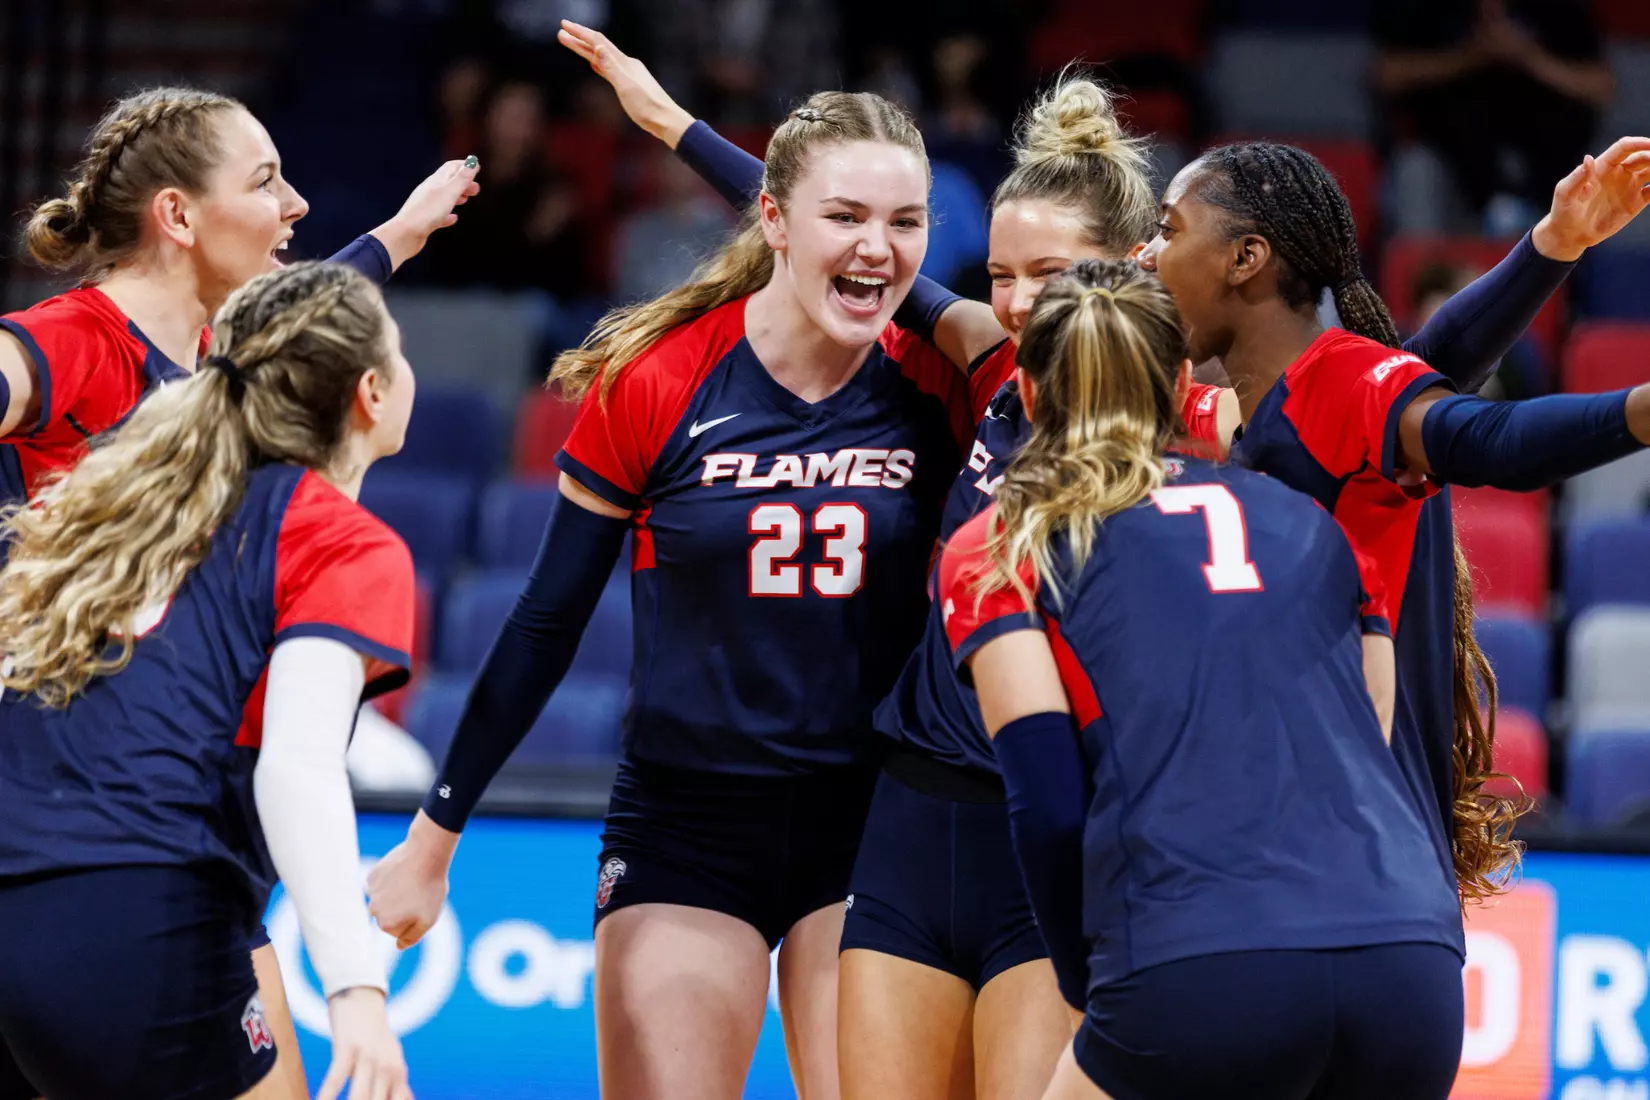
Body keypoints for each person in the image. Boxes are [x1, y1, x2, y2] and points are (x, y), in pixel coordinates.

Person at [555, 20, 1645, 1100]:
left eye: (1049, 273)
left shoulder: (1205, 424)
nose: (1019, 299)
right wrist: (677, 127)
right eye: (1002, 273)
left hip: (1064, 837)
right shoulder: (991, 361)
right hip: (910, 823)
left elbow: (1409, 402)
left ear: (1126, 275)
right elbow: (826, 230)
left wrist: (1548, 263)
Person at [368, 91, 979, 1100]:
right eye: (845, 216)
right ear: (773, 219)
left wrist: (684, 131)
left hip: (876, 821)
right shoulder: (660, 376)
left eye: (904, 221)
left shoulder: (943, 380)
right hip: (688, 824)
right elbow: (547, 619)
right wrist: (434, 835)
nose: (877, 246)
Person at [943, 257, 1467, 1099]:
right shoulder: (1311, 518)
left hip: (1199, 963)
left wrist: (1084, 989)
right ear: (1183, 383)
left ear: (1029, 394)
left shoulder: (1003, 543)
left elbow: (1047, 805)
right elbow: (1369, 743)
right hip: (1410, 963)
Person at [1137, 139, 1650, 909]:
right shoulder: (1295, 407)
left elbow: (1487, 438)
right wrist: (1552, 245)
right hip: (1308, 863)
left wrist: (1639, 410)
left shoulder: (1338, 382)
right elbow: (1425, 362)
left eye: (1168, 229)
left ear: (1246, 258)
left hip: (1343, 877)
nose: (1146, 255)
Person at [0, 262, 417, 1100]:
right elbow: (297, 771)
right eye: (400, 351)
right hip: (135, 905)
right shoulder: (337, 538)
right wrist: (356, 990)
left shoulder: (127, 503)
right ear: (371, 392)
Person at [0, 85, 479, 504]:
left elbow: (305, 309)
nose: (297, 204)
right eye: (264, 182)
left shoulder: (217, 360)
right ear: (179, 216)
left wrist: (404, 232)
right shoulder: (73, 339)